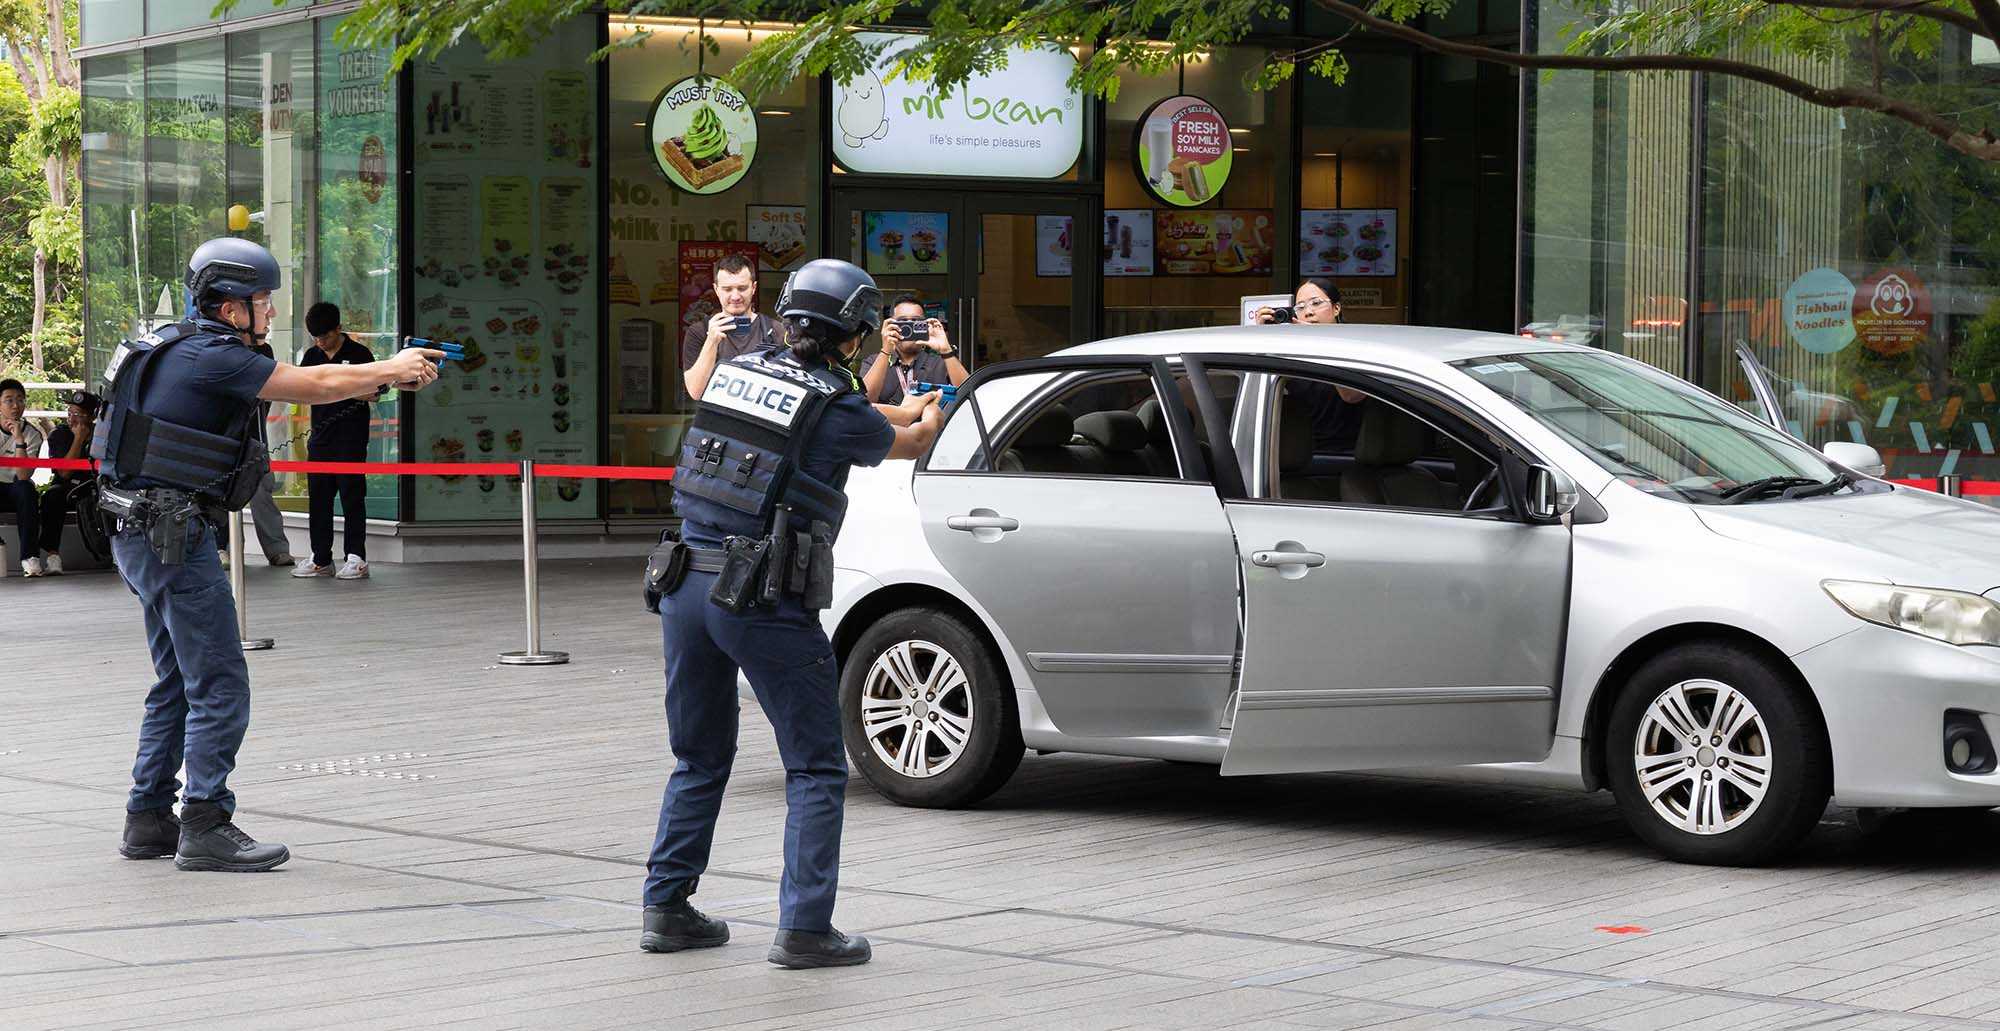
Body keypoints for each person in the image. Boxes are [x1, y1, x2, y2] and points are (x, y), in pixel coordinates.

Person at [102, 237, 441, 872]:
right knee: (220, 681)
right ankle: (204, 821)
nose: (271, 314)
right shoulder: (212, 356)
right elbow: (308, 384)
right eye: (262, 302)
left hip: (142, 531)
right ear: (231, 308)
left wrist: (368, 381)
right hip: (174, 535)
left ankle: (149, 816)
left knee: (179, 677)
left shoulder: (175, 345)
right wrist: (389, 368)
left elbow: (310, 385)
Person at [643, 258, 942, 970]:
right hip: (762, 594)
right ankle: (806, 927)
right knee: (814, 763)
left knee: (699, 754)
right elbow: (906, 441)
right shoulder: (836, 405)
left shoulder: (738, 373)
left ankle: (666, 906)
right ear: (854, 334)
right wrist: (930, 409)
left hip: (685, 581)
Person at [292, 302, 378, 580]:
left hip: (351, 437)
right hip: (320, 437)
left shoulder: (360, 353)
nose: (321, 343)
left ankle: (356, 557)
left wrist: (339, 389)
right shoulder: (312, 355)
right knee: (319, 497)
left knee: (352, 496)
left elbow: (376, 392)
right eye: (316, 338)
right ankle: (320, 558)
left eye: (325, 337)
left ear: (338, 329)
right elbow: (302, 390)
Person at [1257, 279, 1369, 453]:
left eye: (1316, 303)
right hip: (1300, 456)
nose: (1308, 312)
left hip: (1346, 454)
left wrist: (1321, 342)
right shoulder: (1292, 353)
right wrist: (1262, 339)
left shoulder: (1357, 346)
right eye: (1300, 307)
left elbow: (1351, 396)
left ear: (1336, 308)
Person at [681, 252, 791, 401]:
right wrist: (711, 342)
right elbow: (696, 392)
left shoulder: (776, 330)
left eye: (742, 288)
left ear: (753, 287)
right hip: (716, 420)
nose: (735, 296)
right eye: (727, 289)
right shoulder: (698, 332)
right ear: (716, 289)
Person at [32, 390, 100, 575]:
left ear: (92, 416)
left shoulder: (101, 436)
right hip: (67, 487)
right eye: (69, 413)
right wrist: (78, 439)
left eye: (78, 415)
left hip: (92, 487)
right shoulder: (59, 434)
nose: (72, 419)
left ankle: (106, 554)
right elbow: (65, 473)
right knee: (52, 496)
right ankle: (53, 556)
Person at [857, 293, 968, 406]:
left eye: (916, 321)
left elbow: (968, 397)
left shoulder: (941, 364)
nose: (909, 326)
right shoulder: (873, 362)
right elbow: (863, 403)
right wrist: (886, 350)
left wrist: (946, 350)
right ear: (890, 325)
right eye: (903, 321)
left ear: (924, 325)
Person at [0, 378, 49, 576]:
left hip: (15, 490)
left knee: (26, 488)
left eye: (20, 400)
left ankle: (30, 558)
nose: (15, 405)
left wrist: (19, 439)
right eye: (9, 400)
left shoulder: (33, 434)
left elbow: (23, 475)